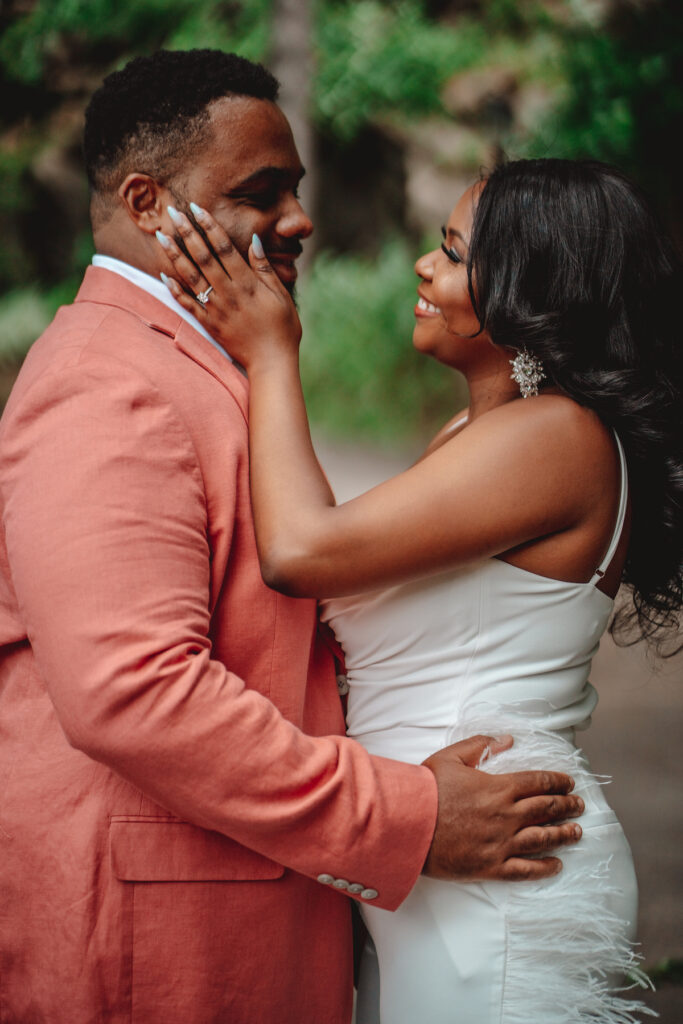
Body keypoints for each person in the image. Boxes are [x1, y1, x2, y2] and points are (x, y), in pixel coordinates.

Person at [0, 52, 584, 1024]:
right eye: (260, 193)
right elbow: (131, 692)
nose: (299, 221)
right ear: (148, 202)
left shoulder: (199, 357)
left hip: (238, 911)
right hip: (155, 950)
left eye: (297, 191)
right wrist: (402, 817)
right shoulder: (106, 383)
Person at [159, 157, 682, 1023]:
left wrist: (270, 354)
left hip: (498, 876)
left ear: (529, 287)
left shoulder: (559, 436)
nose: (421, 267)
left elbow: (300, 551)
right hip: (434, 859)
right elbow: (333, 551)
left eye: (450, 250)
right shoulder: (478, 436)